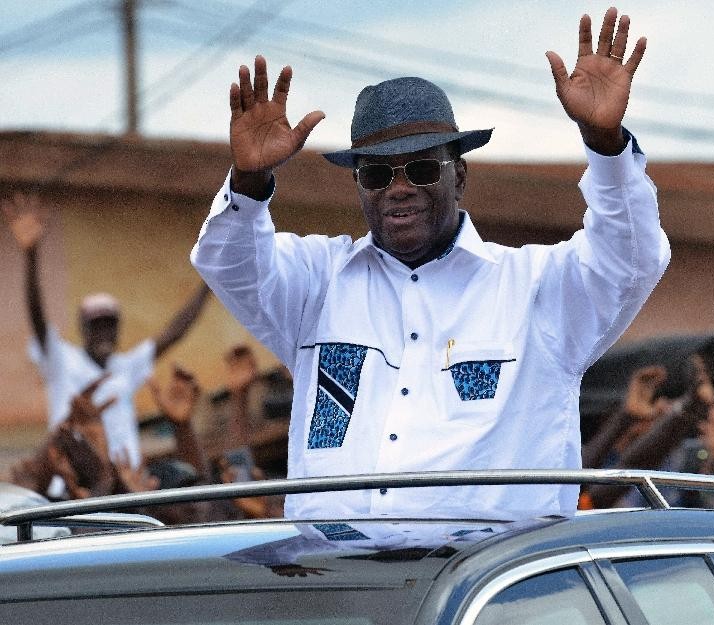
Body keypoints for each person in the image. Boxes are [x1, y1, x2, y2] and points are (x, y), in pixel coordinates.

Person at [191, 7, 670, 519]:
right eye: (376, 174)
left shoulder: (534, 288)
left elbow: (632, 259)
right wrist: (248, 183)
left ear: (458, 177)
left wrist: (605, 146)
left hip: (490, 584)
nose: (398, 188)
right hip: (335, 582)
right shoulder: (318, 283)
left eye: (420, 169)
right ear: (359, 188)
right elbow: (229, 263)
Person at [2, 192, 211, 471]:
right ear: (82, 329)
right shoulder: (61, 359)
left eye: (109, 325)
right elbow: (37, 316)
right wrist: (31, 254)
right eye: (95, 325)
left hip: (125, 487)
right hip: (73, 487)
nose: (103, 333)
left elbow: (175, 331)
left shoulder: (126, 366)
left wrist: (211, 278)